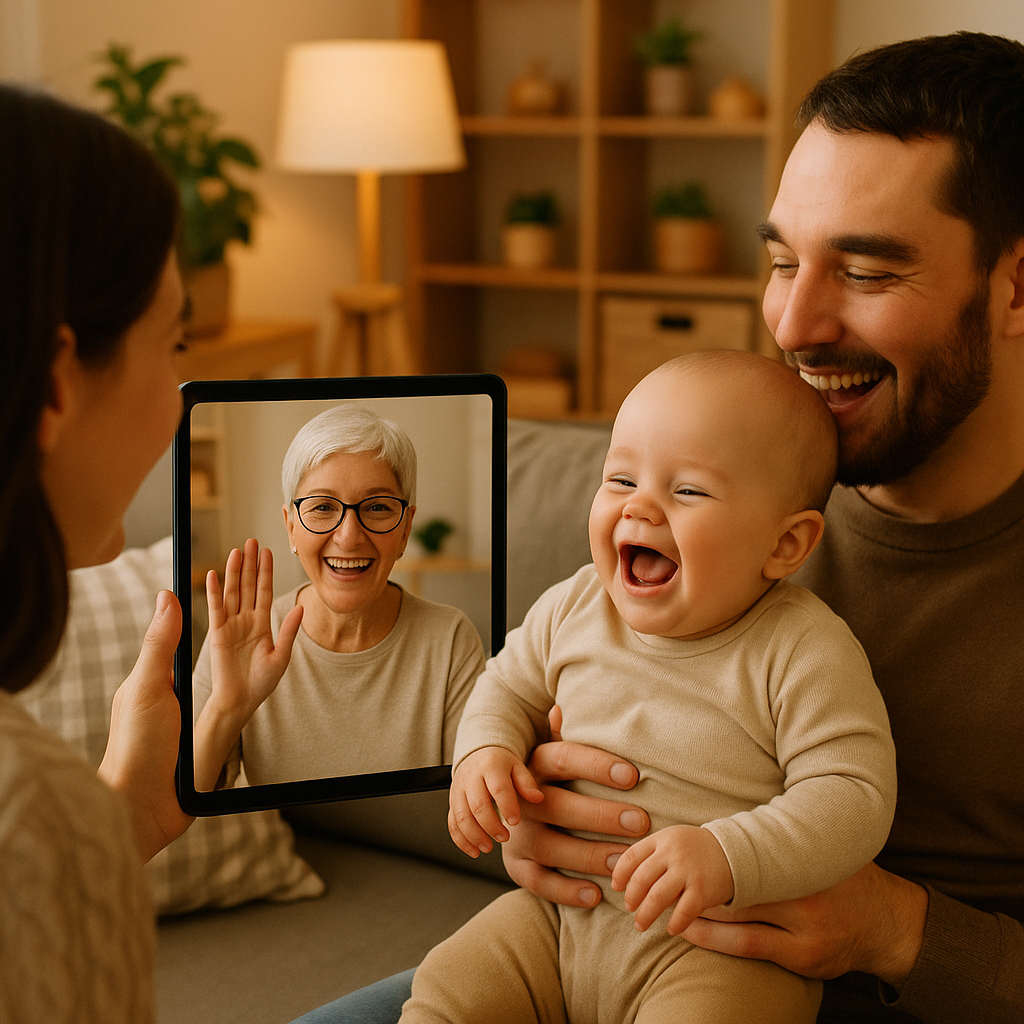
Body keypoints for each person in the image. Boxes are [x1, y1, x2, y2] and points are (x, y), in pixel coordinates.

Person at [295, 30, 1024, 1024]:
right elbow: (531, 693)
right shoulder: (721, 469)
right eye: (780, 262)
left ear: (1014, 286)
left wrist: (897, 929)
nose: (792, 323)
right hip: (587, 941)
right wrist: (532, 813)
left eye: (865, 271)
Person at [396, 351, 895, 1024]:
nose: (639, 506)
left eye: (688, 490)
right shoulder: (577, 602)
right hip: (560, 920)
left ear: (785, 545)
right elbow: (505, 687)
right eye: (620, 477)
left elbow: (855, 795)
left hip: (713, 947)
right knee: (448, 983)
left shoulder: (802, 648)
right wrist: (485, 753)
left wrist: (729, 852)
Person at [0, 84, 194, 1021]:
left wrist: (122, 817)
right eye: (173, 341)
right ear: (55, 386)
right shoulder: (31, 816)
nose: (179, 393)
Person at [191, 404, 487, 791]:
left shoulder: (450, 640)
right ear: (291, 527)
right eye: (323, 507)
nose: (348, 536)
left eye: (378, 507)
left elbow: (470, 803)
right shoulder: (242, 640)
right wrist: (226, 710)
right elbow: (186, 801)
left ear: (405, 529)